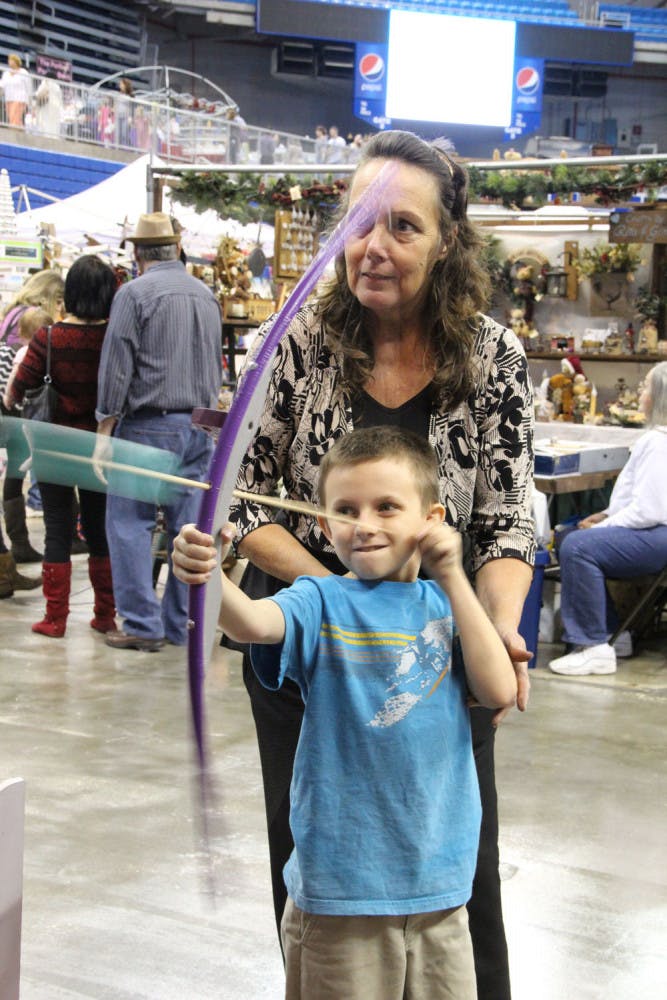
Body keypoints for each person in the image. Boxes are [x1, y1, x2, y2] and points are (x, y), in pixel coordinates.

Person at [173, 130, 535, 999]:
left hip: (438, 656)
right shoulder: (290, 344)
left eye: (402, 226)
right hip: (308, 653)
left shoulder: (491, 357)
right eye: (360, 222)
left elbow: (505, 520)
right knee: (315, 862)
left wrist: (499, 633)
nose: (373, 246)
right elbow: (248, 499)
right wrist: (339, 603)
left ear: (447, 240)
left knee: (459, 869)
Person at [177, 427, 517, 1000]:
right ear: (325, 523)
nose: (364, 523)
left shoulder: (448, 606)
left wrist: (455, 575)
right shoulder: (321, 598)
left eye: (386, 506)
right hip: (341, 891)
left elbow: (499, 688)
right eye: (345, 509)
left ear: (432, 518)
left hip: (439, 883)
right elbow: (251, 623)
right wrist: (210, 571)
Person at [96, 212, 222, 652]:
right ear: (176, 248)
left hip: (149, 425)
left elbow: (117, 365)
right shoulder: (206, 295)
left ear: (137, 252)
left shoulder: (133, 294)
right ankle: (181, 620)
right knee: (189, 529)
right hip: (199, 425)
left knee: (130, 523)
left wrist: (105, 426)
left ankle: (141, 624)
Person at [6, 257, 119, 637]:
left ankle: (55, 618)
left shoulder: (48, 338)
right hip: (99, 448)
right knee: (98, 529)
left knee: (57, 529)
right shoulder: (112, 339)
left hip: (53, 446)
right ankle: (105, 614)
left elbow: (15, 392)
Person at [549, 361, 667, 676]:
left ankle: (593, 646)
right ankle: (617, 635)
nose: (641, 392)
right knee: (566, 536)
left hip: (657, 536)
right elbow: (636, 500)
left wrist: (602, 525)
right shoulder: (655, 440)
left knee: (578, 546)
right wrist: (602, 515)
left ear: (658, 397)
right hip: (655, 532)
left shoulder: (658, 443)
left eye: (645, 387)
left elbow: (648, 511)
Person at [0, 270, 65, 566]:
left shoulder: (11, 313)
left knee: (14, 475)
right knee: (16, 471)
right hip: (16, 406)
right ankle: (19, 544)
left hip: (7, 403)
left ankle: (16, 543)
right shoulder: (33, 317)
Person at [0, 53, 32, 127]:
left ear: (16, 61)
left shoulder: (23, 72)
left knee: (15, 117)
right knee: (12, 118)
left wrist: (29, 101)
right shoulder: (6, 73)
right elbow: (2, 85)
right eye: (9, 60)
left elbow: (29, 87)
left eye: (11, 60)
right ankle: (20, 133)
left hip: (20, 98)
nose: (10, 62)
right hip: (9, 98)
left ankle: (14, 134)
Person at [33, 69, 63, 137]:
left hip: (47, 105)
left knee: (45, 122)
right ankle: (54, 137)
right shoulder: (57, 86)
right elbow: (60, 99)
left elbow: (38, 94)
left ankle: (46, 136)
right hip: (56, 108)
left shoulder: (45, 82)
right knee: (54, 124)